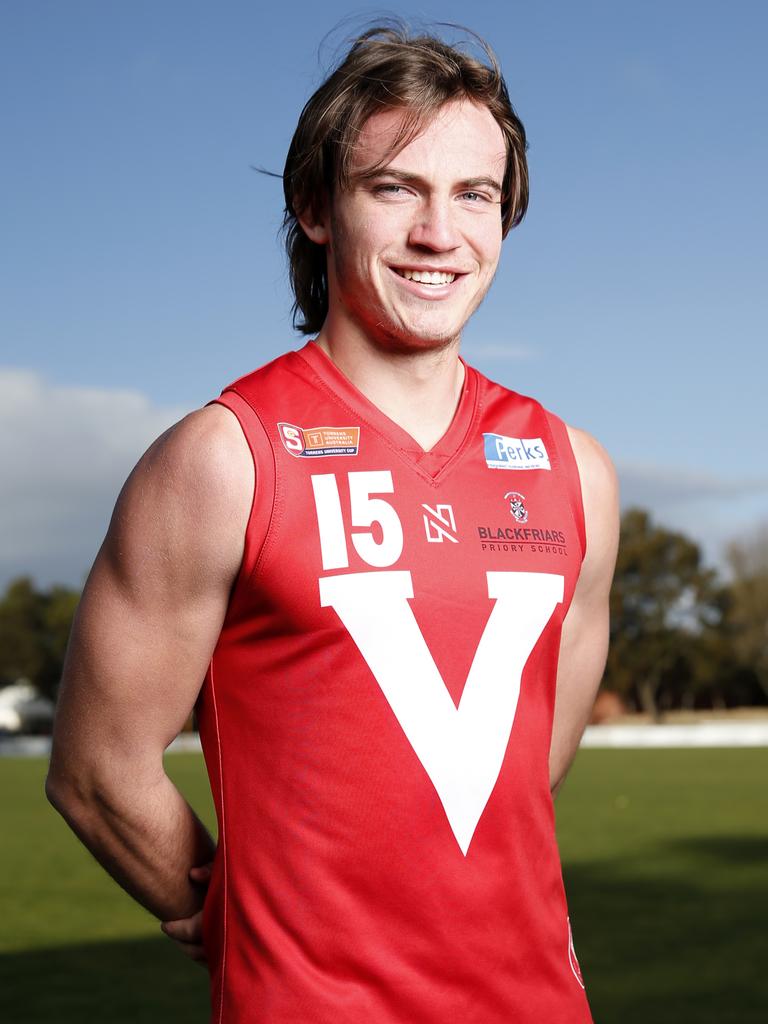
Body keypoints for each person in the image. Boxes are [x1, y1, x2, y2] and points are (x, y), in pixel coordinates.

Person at [46, 23, 619, 1023]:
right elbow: (97, 770)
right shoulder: (223, 459)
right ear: (316, 208)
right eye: (395, 188)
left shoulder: (574, 472)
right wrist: (220, 909)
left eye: (475, 195)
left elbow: (531, 764)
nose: (441, 232)